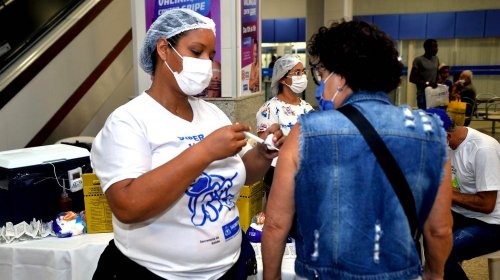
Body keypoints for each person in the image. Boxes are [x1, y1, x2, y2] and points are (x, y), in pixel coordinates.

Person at [90, 8, 284, 280]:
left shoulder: (212, 114)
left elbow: (238, 172)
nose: (207, 63)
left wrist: (263, 154)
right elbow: (127, 206)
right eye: (196, 52)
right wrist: (204, 151)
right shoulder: (129, 121)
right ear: (163, 49)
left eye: (211, 55)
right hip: (154, 274)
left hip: (226, 268)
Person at [262, 20, 453, 280]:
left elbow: (275, 224)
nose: (319, 83)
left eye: (321, 71)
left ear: (340, 75)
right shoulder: (430, 133)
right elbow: (438, 230)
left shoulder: (305, 132)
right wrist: (434, 273)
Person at [428, 109, 500, 280]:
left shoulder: (483, 149)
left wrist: (445, 192)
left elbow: (487, 205)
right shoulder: (447, 145)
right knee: (425, 235)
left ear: (446, 136)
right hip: (461, 214)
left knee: (440, 253)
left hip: (491, 223)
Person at [255, 54, 314, 193]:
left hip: (305, 170)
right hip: (279, 172)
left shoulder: (307, 108)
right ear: (282, 78)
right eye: (297, 73)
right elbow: (266, 146)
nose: (302, 77)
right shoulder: (269, 109)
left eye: (303, 72)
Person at [410, 39, 440, 109]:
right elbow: (412, 78)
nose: (436, 49)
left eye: (437, 47)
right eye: (434, 47)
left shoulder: (436, 59)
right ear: (426, 48)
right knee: (424, 115)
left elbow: (437, 73)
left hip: (433, 93)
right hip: (423, 94)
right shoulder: (418, 60)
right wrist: (427, 83)